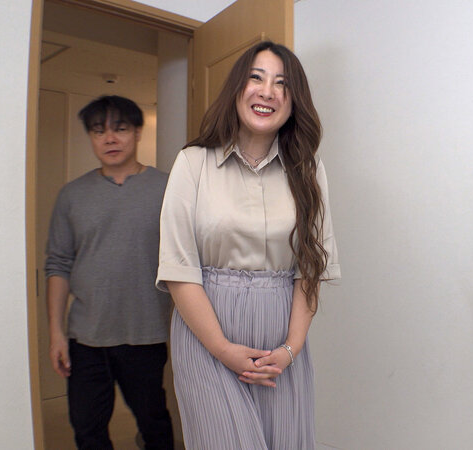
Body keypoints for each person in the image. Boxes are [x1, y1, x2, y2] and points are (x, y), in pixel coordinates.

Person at [156, 41, 340, 449]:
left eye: (282, 84)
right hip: (207, 338)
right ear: (237, 88)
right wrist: (222, 349)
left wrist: (290, 349)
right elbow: (178, 268)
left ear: (293, 101)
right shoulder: (193, 163)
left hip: (281, 345)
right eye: (256, 78)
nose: (267, 91)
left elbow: (311, 268)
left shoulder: (309, 171)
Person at [45, 95, 175, 450]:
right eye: (98, 131)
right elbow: (58, 264)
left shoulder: (168, 189)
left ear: (137, 132)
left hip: (146, 334)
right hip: (86, 337)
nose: (110, 139)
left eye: (120, 129)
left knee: (155, 425)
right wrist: (56, 334)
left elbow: (188, 259)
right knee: (87, 430)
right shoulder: (72, 195)